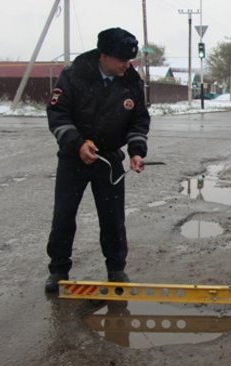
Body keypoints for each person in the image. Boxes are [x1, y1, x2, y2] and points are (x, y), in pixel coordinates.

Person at [44, 27, 150, 292]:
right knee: (64, 216)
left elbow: (139, 120)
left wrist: (136, 151)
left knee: (113, 218)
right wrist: (78, 143)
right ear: (104, 55)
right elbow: (58, 115)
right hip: (73, 158)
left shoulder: (131, 82)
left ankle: (116, 269)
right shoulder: (74, 75)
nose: (127, 65)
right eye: (122, 60)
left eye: (130, 60)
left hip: (109, 158)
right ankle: (58, 270)